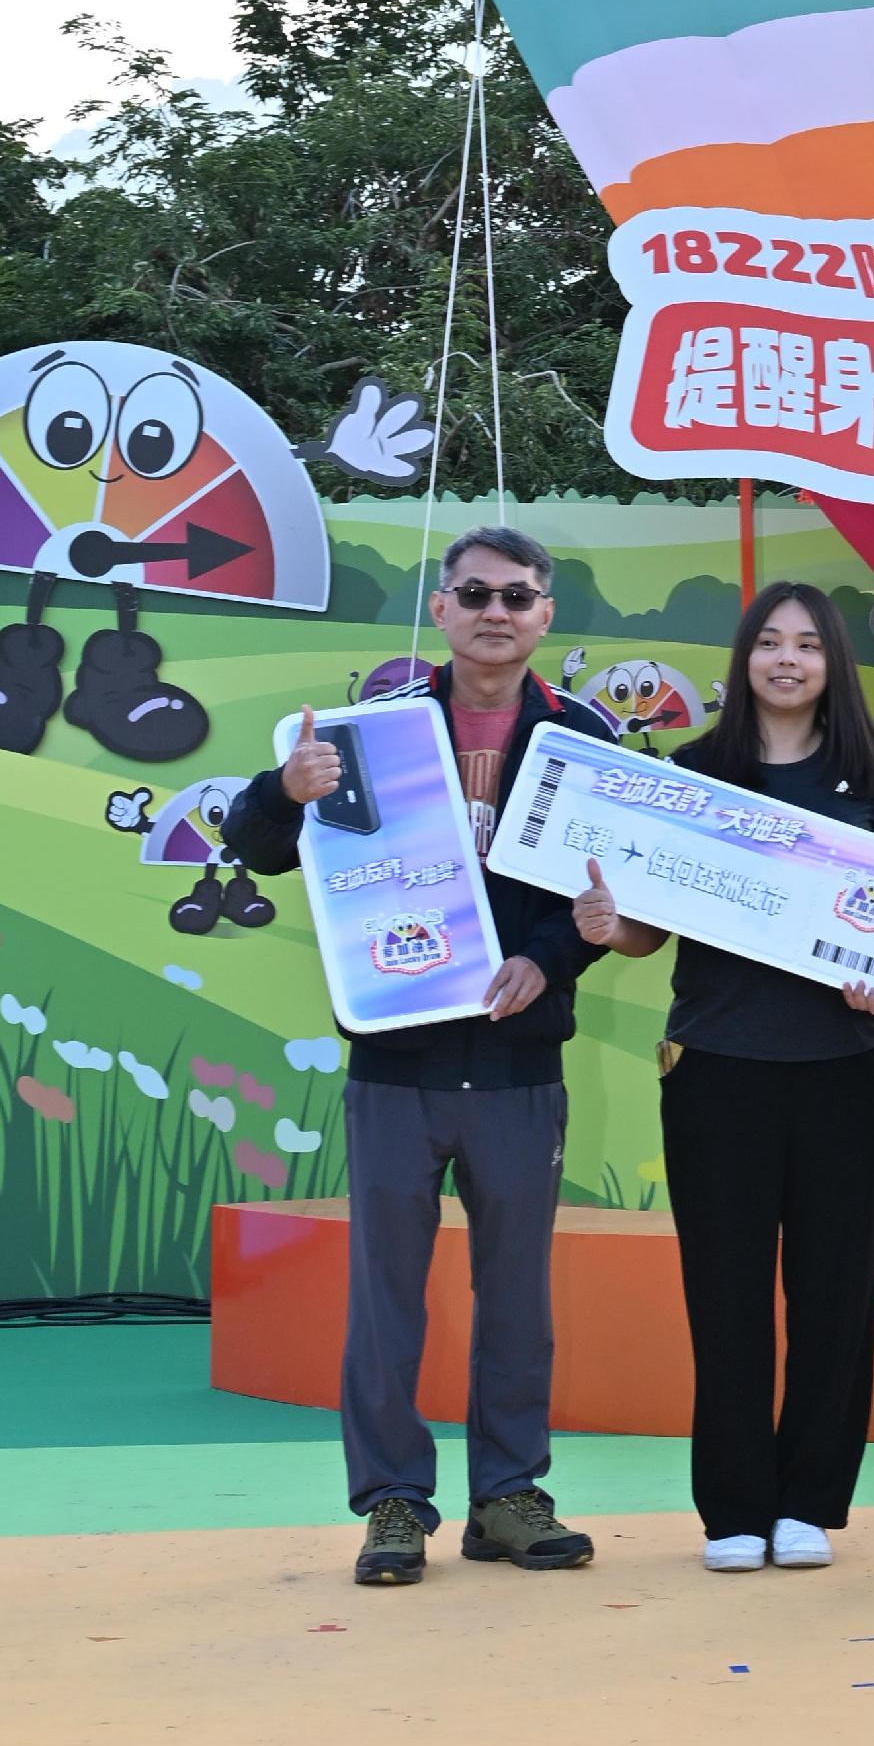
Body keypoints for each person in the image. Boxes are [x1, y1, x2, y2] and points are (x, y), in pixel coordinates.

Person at [225, 522, 620, 1589]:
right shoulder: (370, 734)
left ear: (545, 616)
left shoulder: (585, 738)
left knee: (518, 1297)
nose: (497, 612)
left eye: (520, 596)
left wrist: (551, 963)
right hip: (395, 1065)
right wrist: (284, 790)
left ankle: (507, 1496)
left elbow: (609, 893)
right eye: (476, 593)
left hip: (518, 1064)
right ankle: (394, 1502)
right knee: (387, 1293)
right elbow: (258, 846)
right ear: (439, 609)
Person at [649, 580, 874, 1573]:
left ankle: (808, 1500)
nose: (789, 658)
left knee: (832, 1296)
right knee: (724, 1297)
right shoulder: (694, 772)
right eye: (771, 642)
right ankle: (732, 1508)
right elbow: (643, 925)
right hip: (718, 1068)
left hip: (844, 1072)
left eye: (809, 643)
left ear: (831, 665)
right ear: (745, 659)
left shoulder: (867, 778)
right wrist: (607, 918)